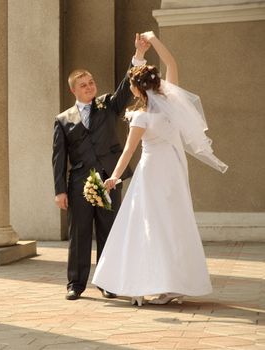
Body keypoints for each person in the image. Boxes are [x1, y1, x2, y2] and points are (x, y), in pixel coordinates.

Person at [91, 31, 228, 306]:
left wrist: (114, 178)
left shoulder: (141, 117)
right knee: (174, 223)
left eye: (131, 85)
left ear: (137, 89)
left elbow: (129, 150)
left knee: (149, 225)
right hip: (174, 170)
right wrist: (153, 40)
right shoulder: (172, 102)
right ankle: (174, 284)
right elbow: (172, 64)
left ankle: (156, 283)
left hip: (152, 173)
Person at [52, 34, 151, 301]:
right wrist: (60, 191)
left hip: (109, 179)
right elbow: (59, 158)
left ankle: (108, 281)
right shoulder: (63, 120)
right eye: (83, 85)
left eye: (91, 82)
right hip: (79, 183)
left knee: (108, 230)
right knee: (80, 232)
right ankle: (75, 283)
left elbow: (124, 87)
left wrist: (138, 56)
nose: (89, 87)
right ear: (73, 90)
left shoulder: (108, 104)